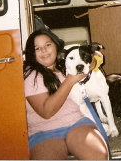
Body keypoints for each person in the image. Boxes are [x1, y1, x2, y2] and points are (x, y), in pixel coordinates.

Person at [23, 29, 108, 160]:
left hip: (76, 122)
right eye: (37, 48)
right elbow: (46, 112)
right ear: (32, 53)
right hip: (44, 132)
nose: (44, 50)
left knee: (98, 155)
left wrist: (95, 59)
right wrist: (70, 80)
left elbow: (93, 55)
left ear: (56, 45)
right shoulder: (32, 75)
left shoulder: (66, 64)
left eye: (48, 45)